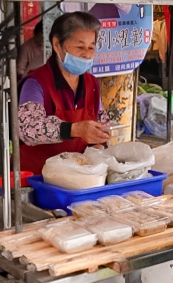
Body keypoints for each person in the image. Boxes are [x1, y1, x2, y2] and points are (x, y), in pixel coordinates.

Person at [18, 12, 116, 173]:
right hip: (37, 178)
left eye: (91, 47)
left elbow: (102, 122)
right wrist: (74, 129)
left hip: (78, 177)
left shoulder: (91, 83)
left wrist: (100, 143)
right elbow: (28, 129)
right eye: (80, 47)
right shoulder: (35, 83)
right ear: (57, 45)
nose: (87, 54)